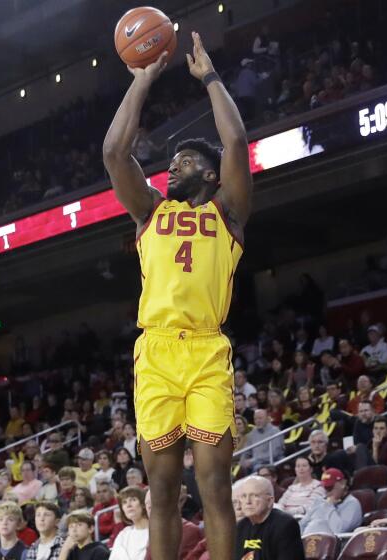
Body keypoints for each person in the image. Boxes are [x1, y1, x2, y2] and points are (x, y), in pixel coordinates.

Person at [103, 30, 252, 560]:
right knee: (162, 493)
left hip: (206, 351)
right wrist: (142, 81)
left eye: (184, 163)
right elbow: (114, 151)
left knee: (214, 488)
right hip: (157, 354)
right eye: (170, 163)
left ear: (209, 175)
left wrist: (209, 77)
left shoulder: (227, 213)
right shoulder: (150, 212)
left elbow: (235, 143)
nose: (172, 168)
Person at [236, 476, 304, 560]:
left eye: (254, 495)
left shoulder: (285, 525)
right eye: (243, 496)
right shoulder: (240, 527)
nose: (248, 501)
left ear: (270, 501)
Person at [299, 468, 362, 536]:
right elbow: (303, 524)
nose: (327, 492)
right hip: (310, 540)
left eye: (329, 488)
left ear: (342, 484)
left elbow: (338, 530)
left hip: (337, 544)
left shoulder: (352, 503)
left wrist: (329, 506)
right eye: (325, 488)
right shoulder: (320, 500)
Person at [144, 487, 202, 560]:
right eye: (147, 504)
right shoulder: (156, 532)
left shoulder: (190, 531)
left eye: (154, 503)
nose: (150, 508)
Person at [109, 486, 149, 560]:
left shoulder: (156, 531)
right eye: (124, 502)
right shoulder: (123, 534)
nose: (128, 505)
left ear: (143, 504)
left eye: (133, 500)